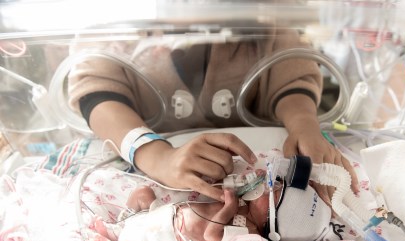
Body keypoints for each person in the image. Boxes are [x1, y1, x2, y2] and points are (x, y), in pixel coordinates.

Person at [68, 27, 358, 205]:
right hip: (148, 145)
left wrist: (304, 125)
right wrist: (156, 155)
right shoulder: (117, 27)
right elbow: (97, 93)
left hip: (249, 158)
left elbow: (290, 74)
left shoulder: (259, 23)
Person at [90, 169, 350, 241]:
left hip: (173, 240)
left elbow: (211, 237)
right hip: (169, 214)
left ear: (269, 222)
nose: (268, 187)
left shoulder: (248, 232)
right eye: (276, 184)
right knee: (142, 194)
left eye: (272, 192)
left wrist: (228, 208)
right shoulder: (245, 203)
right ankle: (119, 227)